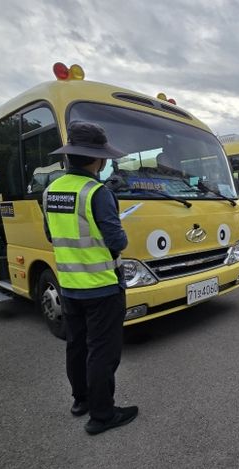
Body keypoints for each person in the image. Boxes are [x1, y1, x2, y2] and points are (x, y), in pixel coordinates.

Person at [43, 121, 139, 435]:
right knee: (102, 352)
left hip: (69, 285)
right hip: (102, 287)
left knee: (77, 346)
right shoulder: (98, 193)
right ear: (96, 159)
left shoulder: (51, 191)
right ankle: (102, 415)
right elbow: (118, 242)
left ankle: (80, 400)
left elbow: (51, 235)